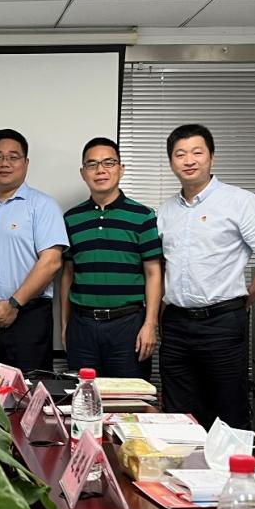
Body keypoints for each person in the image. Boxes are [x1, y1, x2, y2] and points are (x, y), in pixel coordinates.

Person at [157, 124, 255, 430]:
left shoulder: (240, 201)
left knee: (229, 413)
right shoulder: (165, 211)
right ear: (171, 162)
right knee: (178, 417)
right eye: (180, 154)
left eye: (197, 152)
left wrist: (244, 300)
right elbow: (163, 268)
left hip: (222, 323)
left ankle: (233, 464)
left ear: (211, 157)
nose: (189, 160)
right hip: (175, 325)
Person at [0, 129, 68, 372]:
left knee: (29, 390)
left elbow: (51, 262)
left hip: (29, 317)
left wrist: (14, 304)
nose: (4, 163)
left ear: (26, 163)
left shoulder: (43, 206)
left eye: (13, 157)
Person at [60, 137, 163, 379]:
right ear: (83, 172)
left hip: (128, 325)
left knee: (129, 397)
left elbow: (154, 273)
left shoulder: (143, 216)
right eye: (92, 164)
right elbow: (67, 275)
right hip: (82, 326)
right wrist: (65, 326)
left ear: (121, 169)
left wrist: (150, 325)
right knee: (83, 396)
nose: (100, 170)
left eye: (109, 162)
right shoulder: (71, 219)